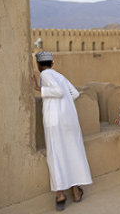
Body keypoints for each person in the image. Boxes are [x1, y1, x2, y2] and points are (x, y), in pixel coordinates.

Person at [32, 51, 92, 211]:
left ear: (39, 65)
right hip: (69, 120)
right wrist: (64, 106)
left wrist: (39, 89)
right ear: (52, 63)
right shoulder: (60, 75)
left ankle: (60, 195)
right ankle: (76, 191)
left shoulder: (45, 74)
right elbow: (75, 93)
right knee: (72, 152)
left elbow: (57, 91)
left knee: (56, 155)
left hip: (54, 122)